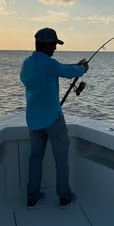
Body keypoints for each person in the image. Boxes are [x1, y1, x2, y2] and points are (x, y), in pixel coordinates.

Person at [20, 27, 89, 209]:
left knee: (35, 158)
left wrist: (74, 68)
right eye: (54, 45)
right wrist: (82, 68)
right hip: (53, 119)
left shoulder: (27, 64)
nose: (55, 49)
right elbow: (64, 71)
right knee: (61, 159)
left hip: (33, 120)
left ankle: (32, 197)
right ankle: (64, 196)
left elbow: (60, 70)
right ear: (47, 44)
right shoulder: (50, 64)